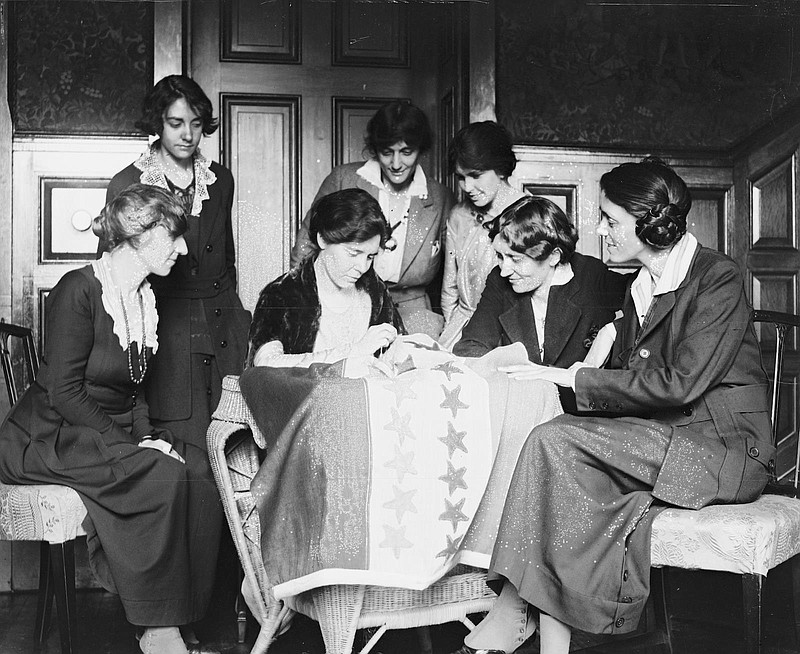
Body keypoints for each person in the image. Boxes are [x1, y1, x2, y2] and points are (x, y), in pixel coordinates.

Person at [450, 158, 774, 654]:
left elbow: (680, 385)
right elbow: (624, 372)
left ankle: (519, 612)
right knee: (558, 450)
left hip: (725, 453)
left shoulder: (717, 278)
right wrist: (595, 355)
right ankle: (549, 635)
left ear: (648, 223)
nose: (600, 230)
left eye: (610, 220)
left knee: (553, 440)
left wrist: (573, 375)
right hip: (668, 442)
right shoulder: (639, 286)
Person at [0, 184, 222, 654]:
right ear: (138, 236)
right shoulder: (79, 289)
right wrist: (129, 444)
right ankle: (156, 629)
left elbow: (135, 388)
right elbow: (63, 391)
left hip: (105, 426)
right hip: (50, 432)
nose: (183, 249)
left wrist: (144, 436)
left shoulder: (143, 298)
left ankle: (183, 619)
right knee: (159, 474)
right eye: (174, 237)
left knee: (200, 471)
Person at [104, 74, 250, 451]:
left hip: (222, 327)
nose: (188, 134)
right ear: (157, 123)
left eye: (197, 124)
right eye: (176, 123)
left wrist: (236, 325)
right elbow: (116, 277)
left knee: (236, 447)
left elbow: (226, 259)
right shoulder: (128, 182)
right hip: (167, 331)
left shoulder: (220, 180)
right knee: (187, 452)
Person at [289, 100, 453, 337]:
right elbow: (307, 242)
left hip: (415, 313)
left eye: (406, 152)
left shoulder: (439, 197)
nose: (396, 164)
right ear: (375, 150)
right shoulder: (343, 179)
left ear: (420, 149)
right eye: (387, 153)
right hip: (348, 301)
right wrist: (307, 301)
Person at [453, 195, 628, 412]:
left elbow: (651, 302)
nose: (505, 269)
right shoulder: (499, 280)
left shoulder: (591, 277)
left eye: (516, 259)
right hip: (518, 407)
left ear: (554, 256)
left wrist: (612, 332)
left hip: (579, 415)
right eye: (500, 256)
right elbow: (470, 347)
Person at [249, 188, 405, 369]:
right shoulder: (282, 292)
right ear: (322, 239)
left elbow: (398, 347)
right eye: (354, 253)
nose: (362, 267)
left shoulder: (374, 288)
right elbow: (265, 365)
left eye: (370, 257)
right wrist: (353, 352)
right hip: (308, 397)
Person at [438, 121, 527, 349]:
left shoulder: (530, 213)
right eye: (460, 177)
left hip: (510, 335)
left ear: (500, 169)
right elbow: (450, 289)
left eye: (476, 175)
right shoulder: (458, 215)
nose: (466, 187)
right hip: (460, 331)